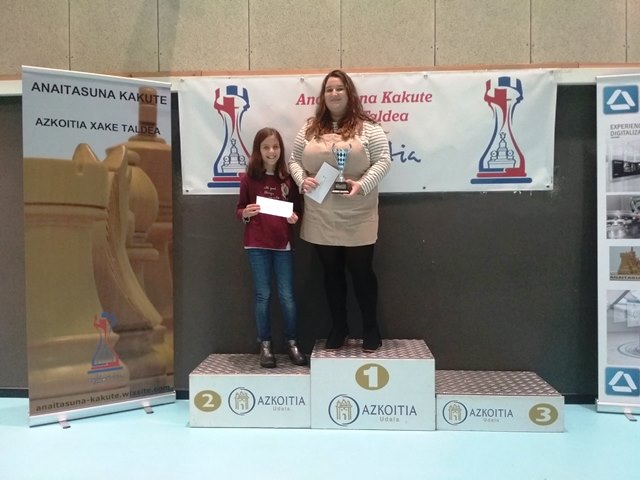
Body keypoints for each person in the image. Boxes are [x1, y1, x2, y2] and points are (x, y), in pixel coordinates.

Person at [288, 69, 391, 353]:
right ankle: (339, 327)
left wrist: (362, 184)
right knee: (331, 273)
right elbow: (294, 160)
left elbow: (384, 160)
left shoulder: (369, 128)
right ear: (323, 96)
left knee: (362, 273)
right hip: (321, 212)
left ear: (349, 93)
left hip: (358, 212)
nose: (334, 94)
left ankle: (370, 328)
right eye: (329, 89)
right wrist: (302, 180)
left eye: (339, 89)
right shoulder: (309, 129)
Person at [236, 127, 307, 368]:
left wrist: (294, 218)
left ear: (281, 150)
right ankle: (265, 345)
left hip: (282, 245)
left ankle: (292, 342)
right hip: (256, 245)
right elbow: (239, 209)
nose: (271, 151)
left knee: (287, 296)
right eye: (266, 147)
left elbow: (297, 209)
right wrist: (245, 213)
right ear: (258, 150)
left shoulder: (288, 179)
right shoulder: (249, 179)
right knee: (263, 295)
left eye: (275, 147)